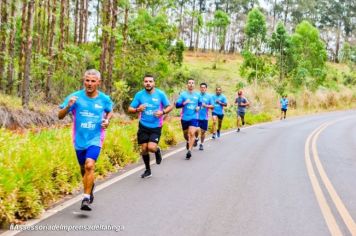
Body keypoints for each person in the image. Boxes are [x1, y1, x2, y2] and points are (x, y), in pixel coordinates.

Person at [58, 69, 113, 211]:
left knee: (89, 165)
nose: (89, 83)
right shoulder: (75, 97)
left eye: (93, 81)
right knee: (83, 169)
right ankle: (90, 186)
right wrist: (69, 106)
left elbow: (110, 110)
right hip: (79, 139)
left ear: (98, 83)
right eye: (87, 80)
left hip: (96, 138)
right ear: (84, 80)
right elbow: (60, 115)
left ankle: (86, 198)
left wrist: (107, 120)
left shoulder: (104, 99)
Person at [128, 75, 172, 178]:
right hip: (143, 125)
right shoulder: (139, 95)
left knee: (151, 148)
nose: (148, 83)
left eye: (150, 81)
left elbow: (169, 106)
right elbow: (130, 108)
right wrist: (137, 109)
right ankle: (148, 170)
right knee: (144, 149)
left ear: (154, 83)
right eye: (146, 81)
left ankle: (157, 150)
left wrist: (163, 112)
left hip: (156, 126)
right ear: (143, 83)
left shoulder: (160, 94)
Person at [175, 79, 201, 159]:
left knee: (191, 133)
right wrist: (184, 103)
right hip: (184, 118)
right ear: (187, 84)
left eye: (192, 83)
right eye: (189, 83)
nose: (191, 84)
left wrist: (198, 107)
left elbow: (200, 104)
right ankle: (188, 141)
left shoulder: (197, 95)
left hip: (194, 117)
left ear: (194, 85)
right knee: (186, 135)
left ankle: (189, 151)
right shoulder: (183, 95)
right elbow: (177, 105)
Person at [194, 82, 214, 150]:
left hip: (204, 117)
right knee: (196, 130)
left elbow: (212, 106)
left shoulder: (209, 96)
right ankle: (196, 138)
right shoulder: (196, 95)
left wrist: (206, 106)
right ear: (200, 88)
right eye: (201, 87)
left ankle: (201, 144)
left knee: (203, 132)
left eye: (204, 87)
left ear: (206, 89)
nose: (202, 89)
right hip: (196, 116)